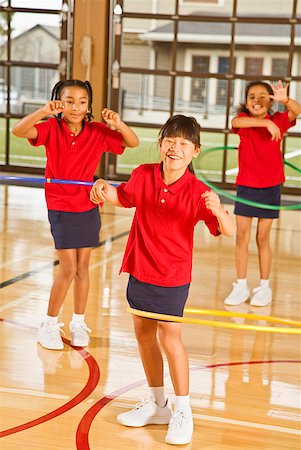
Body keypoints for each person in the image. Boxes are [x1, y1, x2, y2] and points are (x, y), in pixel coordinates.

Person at [90, 114, 236, 445]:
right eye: (170, 141)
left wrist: (221, 210)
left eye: (184, 143)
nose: (175, 148)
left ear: (195, 151)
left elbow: (228, 231)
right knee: (143, 335)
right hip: (140, 267)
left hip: (172, 274)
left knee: (170, 338)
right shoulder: (143, 175)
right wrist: (102, 189)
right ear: (160, 145)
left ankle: (183, 409)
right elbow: (122, 197)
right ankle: (158, 404)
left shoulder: (199, 192)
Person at [12, 79, 139, 350]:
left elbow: (132, 142)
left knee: (83, 267)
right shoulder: (50, 128)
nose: (75, 107)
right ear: (59, 102)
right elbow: (18, 130)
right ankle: (48, 323)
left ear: (88, 105)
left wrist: (118, 124)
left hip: (88, 205)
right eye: (69, 101)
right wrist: (43, 112)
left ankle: (78, 322)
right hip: (60, 205)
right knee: (68, 268)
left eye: (82, 102)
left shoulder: (96, 131)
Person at [224, 80, 301, 307]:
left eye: (261, 96)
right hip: (246, 186)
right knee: (241, 236)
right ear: (246, 102)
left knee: (262, 238)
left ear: (270, 100)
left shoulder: (278, 120)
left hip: (270, 188)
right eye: (251, 97)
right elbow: (235, 120)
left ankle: (264, 286)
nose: (256, 100)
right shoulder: (244, 123)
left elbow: (297, 111)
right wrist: (264, 125)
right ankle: (240, 285)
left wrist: (285, 100)